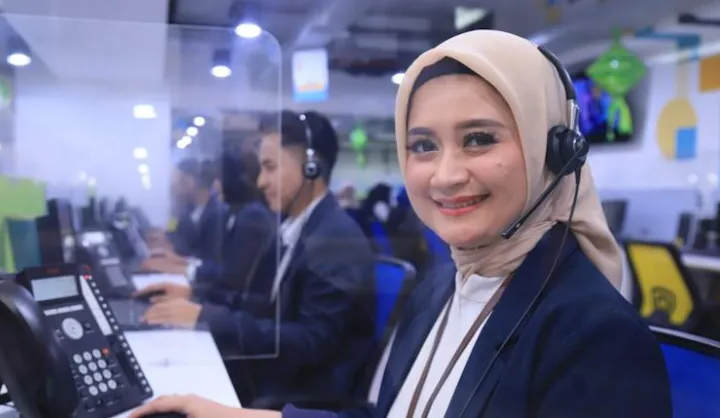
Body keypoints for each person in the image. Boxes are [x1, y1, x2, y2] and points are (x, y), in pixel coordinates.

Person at [130, 30, 671, 418]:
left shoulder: (597, 339)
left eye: (479, 139)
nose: (446, 174)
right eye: (423, 145)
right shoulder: (441, 285)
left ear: (553, 151)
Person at [138, 110, 376, 406]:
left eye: (270, 167)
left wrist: (209, 318)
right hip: (275, 379)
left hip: (297, 397)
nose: (261, 182)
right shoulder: (299, 227)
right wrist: (198, 302)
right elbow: (266, 307)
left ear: (311, 167)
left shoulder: (333, 239)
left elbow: (311, 342)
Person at [136, 149, 276, 303]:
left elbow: (231, 277)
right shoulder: (237, 213)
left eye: (218, 179)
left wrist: (183, 270)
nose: (214, 186)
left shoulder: (250, 216)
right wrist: (182, 262)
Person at [143, 158, 225, 274]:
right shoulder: (189, 208)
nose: (176, 186)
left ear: (192, 182)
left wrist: (177, 258)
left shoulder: (216, 214)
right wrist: (165, 238)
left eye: (180, 181)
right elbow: (174, 231)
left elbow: (208, 259)